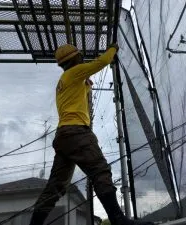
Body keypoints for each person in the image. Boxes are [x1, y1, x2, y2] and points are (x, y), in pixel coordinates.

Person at [29, 43, 153, 225]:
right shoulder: (75, 72)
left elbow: (78, 94)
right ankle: (118, 220)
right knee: (100, 170)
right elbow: (101, 62)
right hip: (76, 132)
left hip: (63, 136)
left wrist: (86, 86)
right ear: (75, 59)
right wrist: (113, 49)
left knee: (55, 186)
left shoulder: (64, 81)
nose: (82, 58)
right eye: (80, 56)